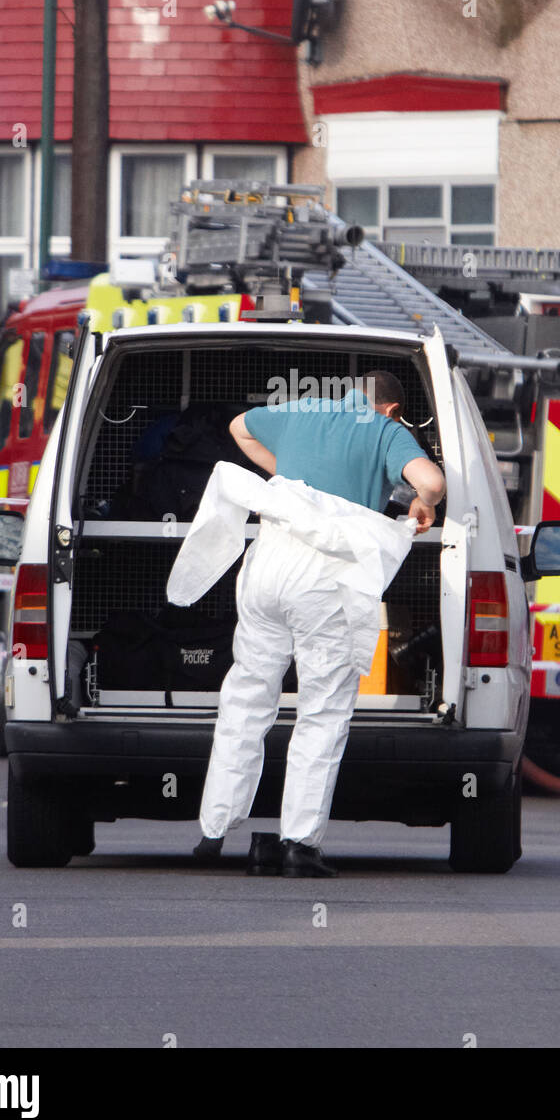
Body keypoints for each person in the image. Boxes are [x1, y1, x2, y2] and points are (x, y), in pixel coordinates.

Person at [183, 370, 446, 877]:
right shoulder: (385, 430)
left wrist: (287, 474)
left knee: (246, 696)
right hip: (326, 579)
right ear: (390, 408)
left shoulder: (300, 411)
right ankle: (298, 845)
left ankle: (213, 832)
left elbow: (239, 427)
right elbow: (431, 481)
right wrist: (423, 503)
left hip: (267, 566)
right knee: (322, 709)